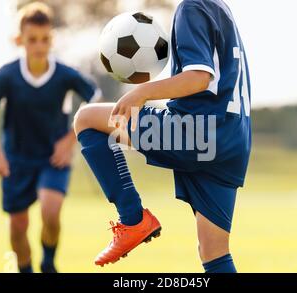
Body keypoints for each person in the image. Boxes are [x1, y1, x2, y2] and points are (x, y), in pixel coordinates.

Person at [74, 0, 251, 273]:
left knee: (86, 119)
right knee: (214, 252)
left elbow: (199, 77)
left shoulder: (192, 7)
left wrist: (140, 93)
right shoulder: (219, 7)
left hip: (196, 133)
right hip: (231, 141)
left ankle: (132, 219)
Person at [0, 2, 101, 273]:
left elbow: (96, 99)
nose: (39, 46)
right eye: (32, 40)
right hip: (16, 161)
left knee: (50, 211)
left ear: (51, 39)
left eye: (45, 39)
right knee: (18, 227)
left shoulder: (65, 75)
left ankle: (48, 263)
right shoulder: (7, 75)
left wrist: (70, 140)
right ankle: (25, 269)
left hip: (52, 159)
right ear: (19, 40)